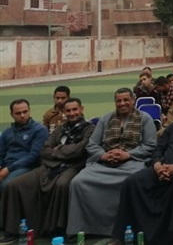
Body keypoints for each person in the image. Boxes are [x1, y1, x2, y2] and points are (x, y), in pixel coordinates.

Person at [113, 94, 173, 245]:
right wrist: (158, 165)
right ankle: (128, 233)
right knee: (132, 182)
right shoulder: (172, 127)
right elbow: (159, 148)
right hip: (163, 167)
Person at [66, 88, 157, 237]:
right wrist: (104, 155)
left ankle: (124, 228)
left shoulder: (145, 118)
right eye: (119, 101)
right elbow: (92, 144)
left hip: (132, 162)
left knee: (132, 181)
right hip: (104, 163)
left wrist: (127, 154)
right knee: (78, 182)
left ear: (133, 100)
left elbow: (150, 145)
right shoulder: (106, 119)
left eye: (126, 100)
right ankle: (84, 228)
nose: (122, 103)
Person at [0, 98, 93, 238]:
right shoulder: (60, 128)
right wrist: (63, 151)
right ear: (64, 112)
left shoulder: (89, 129)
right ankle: (12, 228)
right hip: (49, 166)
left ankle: (57, 228)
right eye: (68, 110)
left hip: (74, 166)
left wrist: (57, 149)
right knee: (14, 185)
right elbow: (45, 150)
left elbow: (79, 150)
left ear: (81, 109)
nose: (72, 113)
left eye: (75, 109)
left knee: (62, 185)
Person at [0, 99, 48, 193]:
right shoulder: (7, 132)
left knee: (6, 185)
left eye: (25, 112)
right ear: (12, 114)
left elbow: (34, 156)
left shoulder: (40, 130)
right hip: (7, 166)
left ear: (29, 111)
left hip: (28, 166)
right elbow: (1, 152)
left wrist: (8, 169)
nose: (22, 115)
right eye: (18, 113)